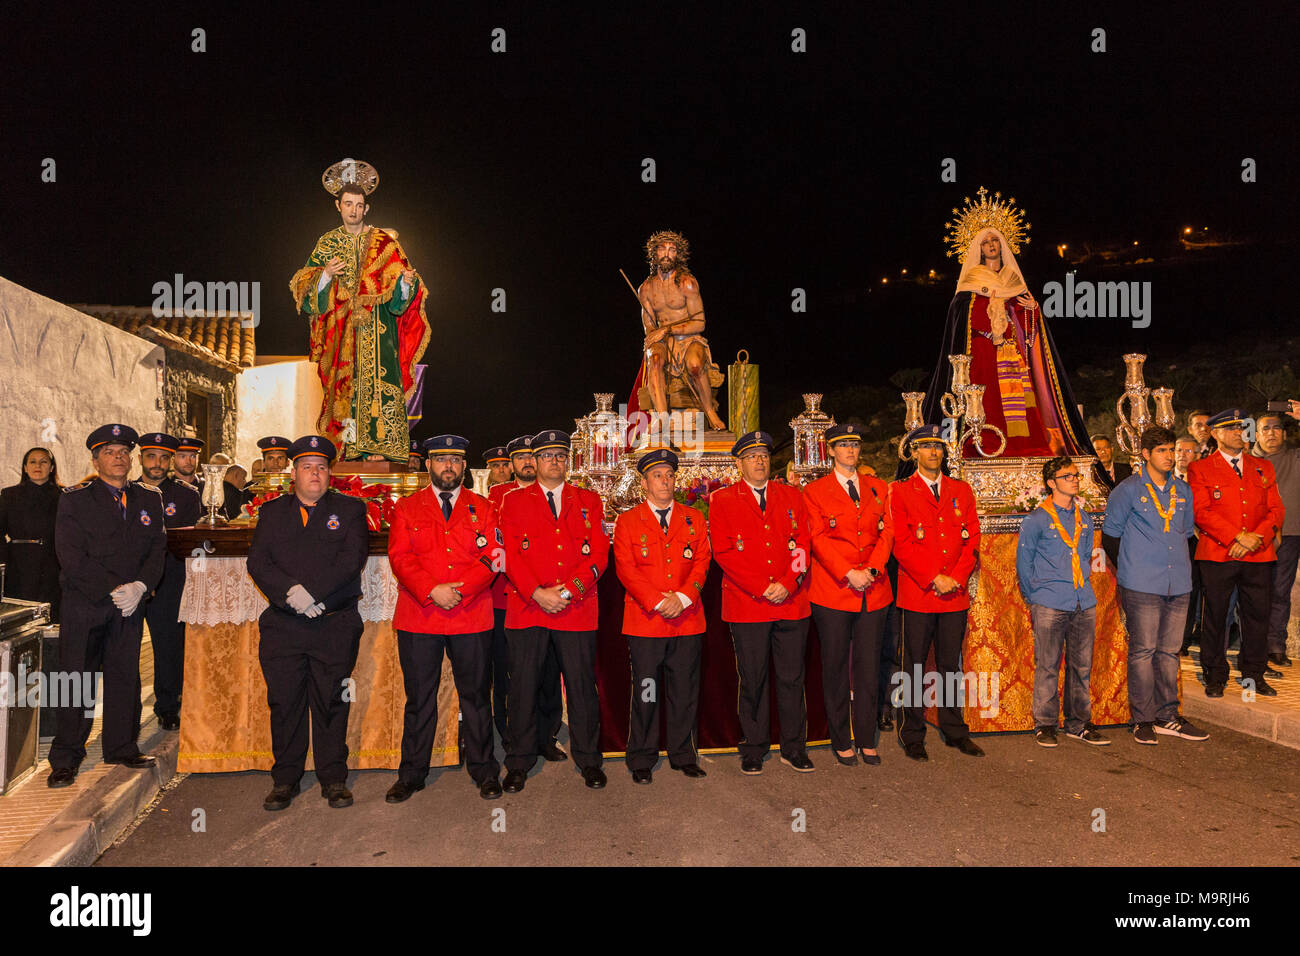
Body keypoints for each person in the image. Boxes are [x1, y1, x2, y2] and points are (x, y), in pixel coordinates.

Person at [247, 435, 368, 810]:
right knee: (285, 703)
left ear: (330, 473)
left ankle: (333, 778)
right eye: (306, 467)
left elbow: (351, 561)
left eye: (321, 467)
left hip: (333, 624)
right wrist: (291, 595)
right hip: (284, 626)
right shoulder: (271, 512)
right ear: (293, 473)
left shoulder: (350, 510)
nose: (314, 474)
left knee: (333, 702)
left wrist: (314, 595)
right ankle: (285, 779)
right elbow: (259, 563)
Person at [921, 190, 1091, 459]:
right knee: (986, 403)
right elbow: (961, 321)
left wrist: (1032, 311)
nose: (991, 244)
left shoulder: (1014, 280)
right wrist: (988, 324)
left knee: (1021, 405)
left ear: (1002, 245)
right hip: (981, 355)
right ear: (978, 248)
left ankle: (1026, 449)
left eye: (995, 240)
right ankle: (981, 449)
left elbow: (1028, 327)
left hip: (1012, 355)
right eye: (985, 241)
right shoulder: (971, 283)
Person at [47, 425, 166, 787]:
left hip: (129, 604)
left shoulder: (148, 498)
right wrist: (112, 588)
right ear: (95, 460)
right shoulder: (75, 497)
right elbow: (70, 554)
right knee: (75, 680)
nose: (118, 457)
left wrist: (141, 587)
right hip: (87, 603)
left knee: (125, 676)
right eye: (109, 452)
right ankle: (66, 756)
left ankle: (121, 746)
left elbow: (156, 549)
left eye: (123, 452)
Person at [289, 159, 431, 461]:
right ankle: (347, 448)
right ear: (338, 206)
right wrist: (325, 275)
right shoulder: (327, 243)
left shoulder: (385, 243)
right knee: (345, 393)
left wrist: (405, 284)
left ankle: (383, 450)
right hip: (342, 336)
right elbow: (307, 291)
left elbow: (399, 302)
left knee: (382, 387)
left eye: (359, 205)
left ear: (366, 209)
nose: (354, 210)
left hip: (380, 335)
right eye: (348, 204)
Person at [386, 435, 502, 802]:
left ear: (464, 467)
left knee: (477, 696)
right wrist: (432, 589)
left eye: (455, 460)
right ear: (428, 466)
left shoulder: (482, 507)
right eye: (441, 460)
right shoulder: (407, 508)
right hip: (421, 615)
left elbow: (495, 555)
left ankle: (484, 770)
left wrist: (461, 590)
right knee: (420, 698)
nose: (448, 466)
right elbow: (401, 558)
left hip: (471, 615)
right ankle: (412, 773)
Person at [499, 430, 610, 792]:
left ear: (568, 461)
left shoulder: (589, 500)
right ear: (536, 461)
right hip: (529, 607)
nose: (554, 462)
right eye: (547, 456)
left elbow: (598, 554)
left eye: (561, 456)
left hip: (575, 607)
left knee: (581, 688)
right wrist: (536, 592)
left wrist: (568, 590)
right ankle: (518, 761)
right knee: (524, 689)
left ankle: (589, 760)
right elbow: (510, 555)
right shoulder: (514, 502)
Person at [708, 431, 814, 774]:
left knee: (791, 677)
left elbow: (802, 546)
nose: (759, 461)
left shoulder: (791, 496)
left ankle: (793, 746)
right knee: (752, 678)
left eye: (764, 456)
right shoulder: (722, 500)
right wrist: (760, 587)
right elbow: (723, 553)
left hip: (790, 602)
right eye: (752, 457)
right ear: (739, 463)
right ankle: (753, 746)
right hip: (747, 604)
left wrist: (787, 583)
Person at [1102, 426, 1209, 742]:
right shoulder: (1128, 490)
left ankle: (1168, 716)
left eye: (1171, 450)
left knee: (1169, 652)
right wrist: (1131, 570)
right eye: (1162, 450)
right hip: (1141, 582)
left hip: (1178, 583)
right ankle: (1143, 719)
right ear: (1146, 454)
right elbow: (1111, 537)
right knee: (1143, 650)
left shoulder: (1183, 491)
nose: (1169, 456)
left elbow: (1187, 533)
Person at [613, 449, 711, 784]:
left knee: (684, 691)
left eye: (669, 475)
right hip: (646, 621)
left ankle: (683, 754)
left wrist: (683, 598)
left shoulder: (693, 518)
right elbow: (626, 569)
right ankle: (642, 756)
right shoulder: (627, 521)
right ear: (644, 483)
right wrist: (658, 601)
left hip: (686, 619)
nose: (665, 481)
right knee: (647, 690)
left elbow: (702, 562)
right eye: (657, 475)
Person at [889, 425, 984, 761]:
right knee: (912, 666)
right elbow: (900, 544)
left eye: (938, 447)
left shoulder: (961, 490)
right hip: (919, 593)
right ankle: (911, 733)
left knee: (949, 666)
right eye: (926, 447)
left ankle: (954, 730)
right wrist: (933, 578)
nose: (933, 453)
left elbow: (971, 538)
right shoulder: (899, 492)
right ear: (914, 453)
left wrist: (955, 577)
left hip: (953, 594)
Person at [804, 424, 894, 766]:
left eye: (855, 445)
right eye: (843, 446)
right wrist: (848, 572)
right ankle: (841, 739)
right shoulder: (815, 491)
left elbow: (888, 533)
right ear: (831, 451)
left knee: (869, 667)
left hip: (874, 589)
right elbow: (818, 539)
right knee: (837, 667)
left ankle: (867, 738)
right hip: (834, 591)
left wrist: (871, 569)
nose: (851, 451)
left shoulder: (878, 487)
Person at [1187, 409, 1284, 697]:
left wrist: (1257, 537)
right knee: (1216, 616)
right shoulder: (1201, 468)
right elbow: (1201, 512)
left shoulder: (1262, 467)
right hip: (1219, 553)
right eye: (1230, 429)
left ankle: (1254, 674)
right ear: (1215, 433)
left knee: (1258, 616)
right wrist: (1236, 537)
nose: (1238, 433)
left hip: (1258, 553)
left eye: (1241, 428)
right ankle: (1215, 675)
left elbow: (1276, 509)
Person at [1017, 456, 1108, 747]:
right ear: (1051, 483)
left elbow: (1083, 557)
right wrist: (1035, 598)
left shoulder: (1084, 518)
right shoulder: (1037, 519)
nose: (1074, 479)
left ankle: (1078, 722)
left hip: (1083, 600)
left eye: (1075, 475)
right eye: (1067, 476)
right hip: (1050, 602)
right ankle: (1045, 724)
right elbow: (1024, 562)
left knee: (1081, 666)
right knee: (1047, 665)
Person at [487, 434, 565, 759]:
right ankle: (510, 735)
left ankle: (547, 735)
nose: (527, 463)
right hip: (508, 601)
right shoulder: (497, 497)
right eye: (519, 458)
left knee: (549, 671)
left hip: (550, 598)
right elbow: (497, 550)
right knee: (510, 673)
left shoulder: (557, 495)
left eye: (530, 457)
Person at [133, 433, 201, 731]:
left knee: (167, 647)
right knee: (124, 650)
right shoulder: (126, 492)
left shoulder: (186, 495)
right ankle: (127, 712)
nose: (157, 464)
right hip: (131, 583)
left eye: (163, 458)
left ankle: (168, 706)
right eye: (151, 457)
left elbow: (190, 542)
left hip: (171, 580)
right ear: (141, 459)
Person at [633, 231, 727, 432]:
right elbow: (649, 326)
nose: (667, 254)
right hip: (664, 342)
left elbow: (700, 322)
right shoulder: (646, 288)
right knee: (654, 357)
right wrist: (653, 336)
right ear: (654, 254)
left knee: (694, 365)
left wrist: (666, 329)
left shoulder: (687, 283)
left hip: (689, 337)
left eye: (672, 250)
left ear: (678, 255)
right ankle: (662, 417)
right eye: (662, 249)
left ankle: (710, 411)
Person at [1253, 403, 1300, 668]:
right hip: (1256, 536)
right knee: (1256, 594)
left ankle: (1275, 646)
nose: (1271, 433)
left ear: (1284, 433)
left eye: (1277, 428)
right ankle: (1256, 645)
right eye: (1265, 429)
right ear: (1256, 433)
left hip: (1291, 533)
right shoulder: (1247, 461)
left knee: (1281, 593)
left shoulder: (1295, 457)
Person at [0, 447, 64, 621]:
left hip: (53, 565)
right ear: (25, 467)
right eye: (32, 462)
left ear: (51, 468)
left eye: (44, 461)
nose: (38, 466)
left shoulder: (64, 496)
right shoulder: (9, 495)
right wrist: (5, 560)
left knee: (52, 617)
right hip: (18, 567)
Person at [1175, 435, 1205, 654]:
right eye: (1178, 450)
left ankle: (1183, 641)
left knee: (1191, 591)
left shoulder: (1204, 479)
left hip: (1196, 542)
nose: (1181, 455)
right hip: (1167, 544)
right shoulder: (1162, 478)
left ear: (1198, 454)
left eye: (1188, 451)